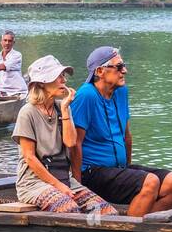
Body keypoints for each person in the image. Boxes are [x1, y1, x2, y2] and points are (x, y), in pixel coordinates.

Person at [70, 45, 172, 217]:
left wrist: (128, 169)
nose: (125, 71)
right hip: (91, 173)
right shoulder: (86, 95)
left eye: (123, 65)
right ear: (100, 71)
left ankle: (143, 227)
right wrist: (78, 184)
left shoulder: (121, 92)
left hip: (117, 169)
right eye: (119, 67)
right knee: (150, 182)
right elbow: (75, 143)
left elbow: (126, 135)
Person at [13, 55, 116, 217]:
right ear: (42, 83)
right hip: (33, 184)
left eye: (63, 76)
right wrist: (59, 187)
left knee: (107, 213)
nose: (64, 80)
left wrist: (66, 108)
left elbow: (71, 142)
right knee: (69, 210)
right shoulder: (27, 112)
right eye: (58, 76)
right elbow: (29, 157)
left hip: (63, 178)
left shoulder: (61, 107)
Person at [0, 31, 27, 97]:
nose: (7, 43)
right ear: (1, 42)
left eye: (10, 41)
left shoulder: (17, 55)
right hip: (2, 90)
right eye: (5, 40)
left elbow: (3, 66)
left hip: (18, 91)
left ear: (13, 43)